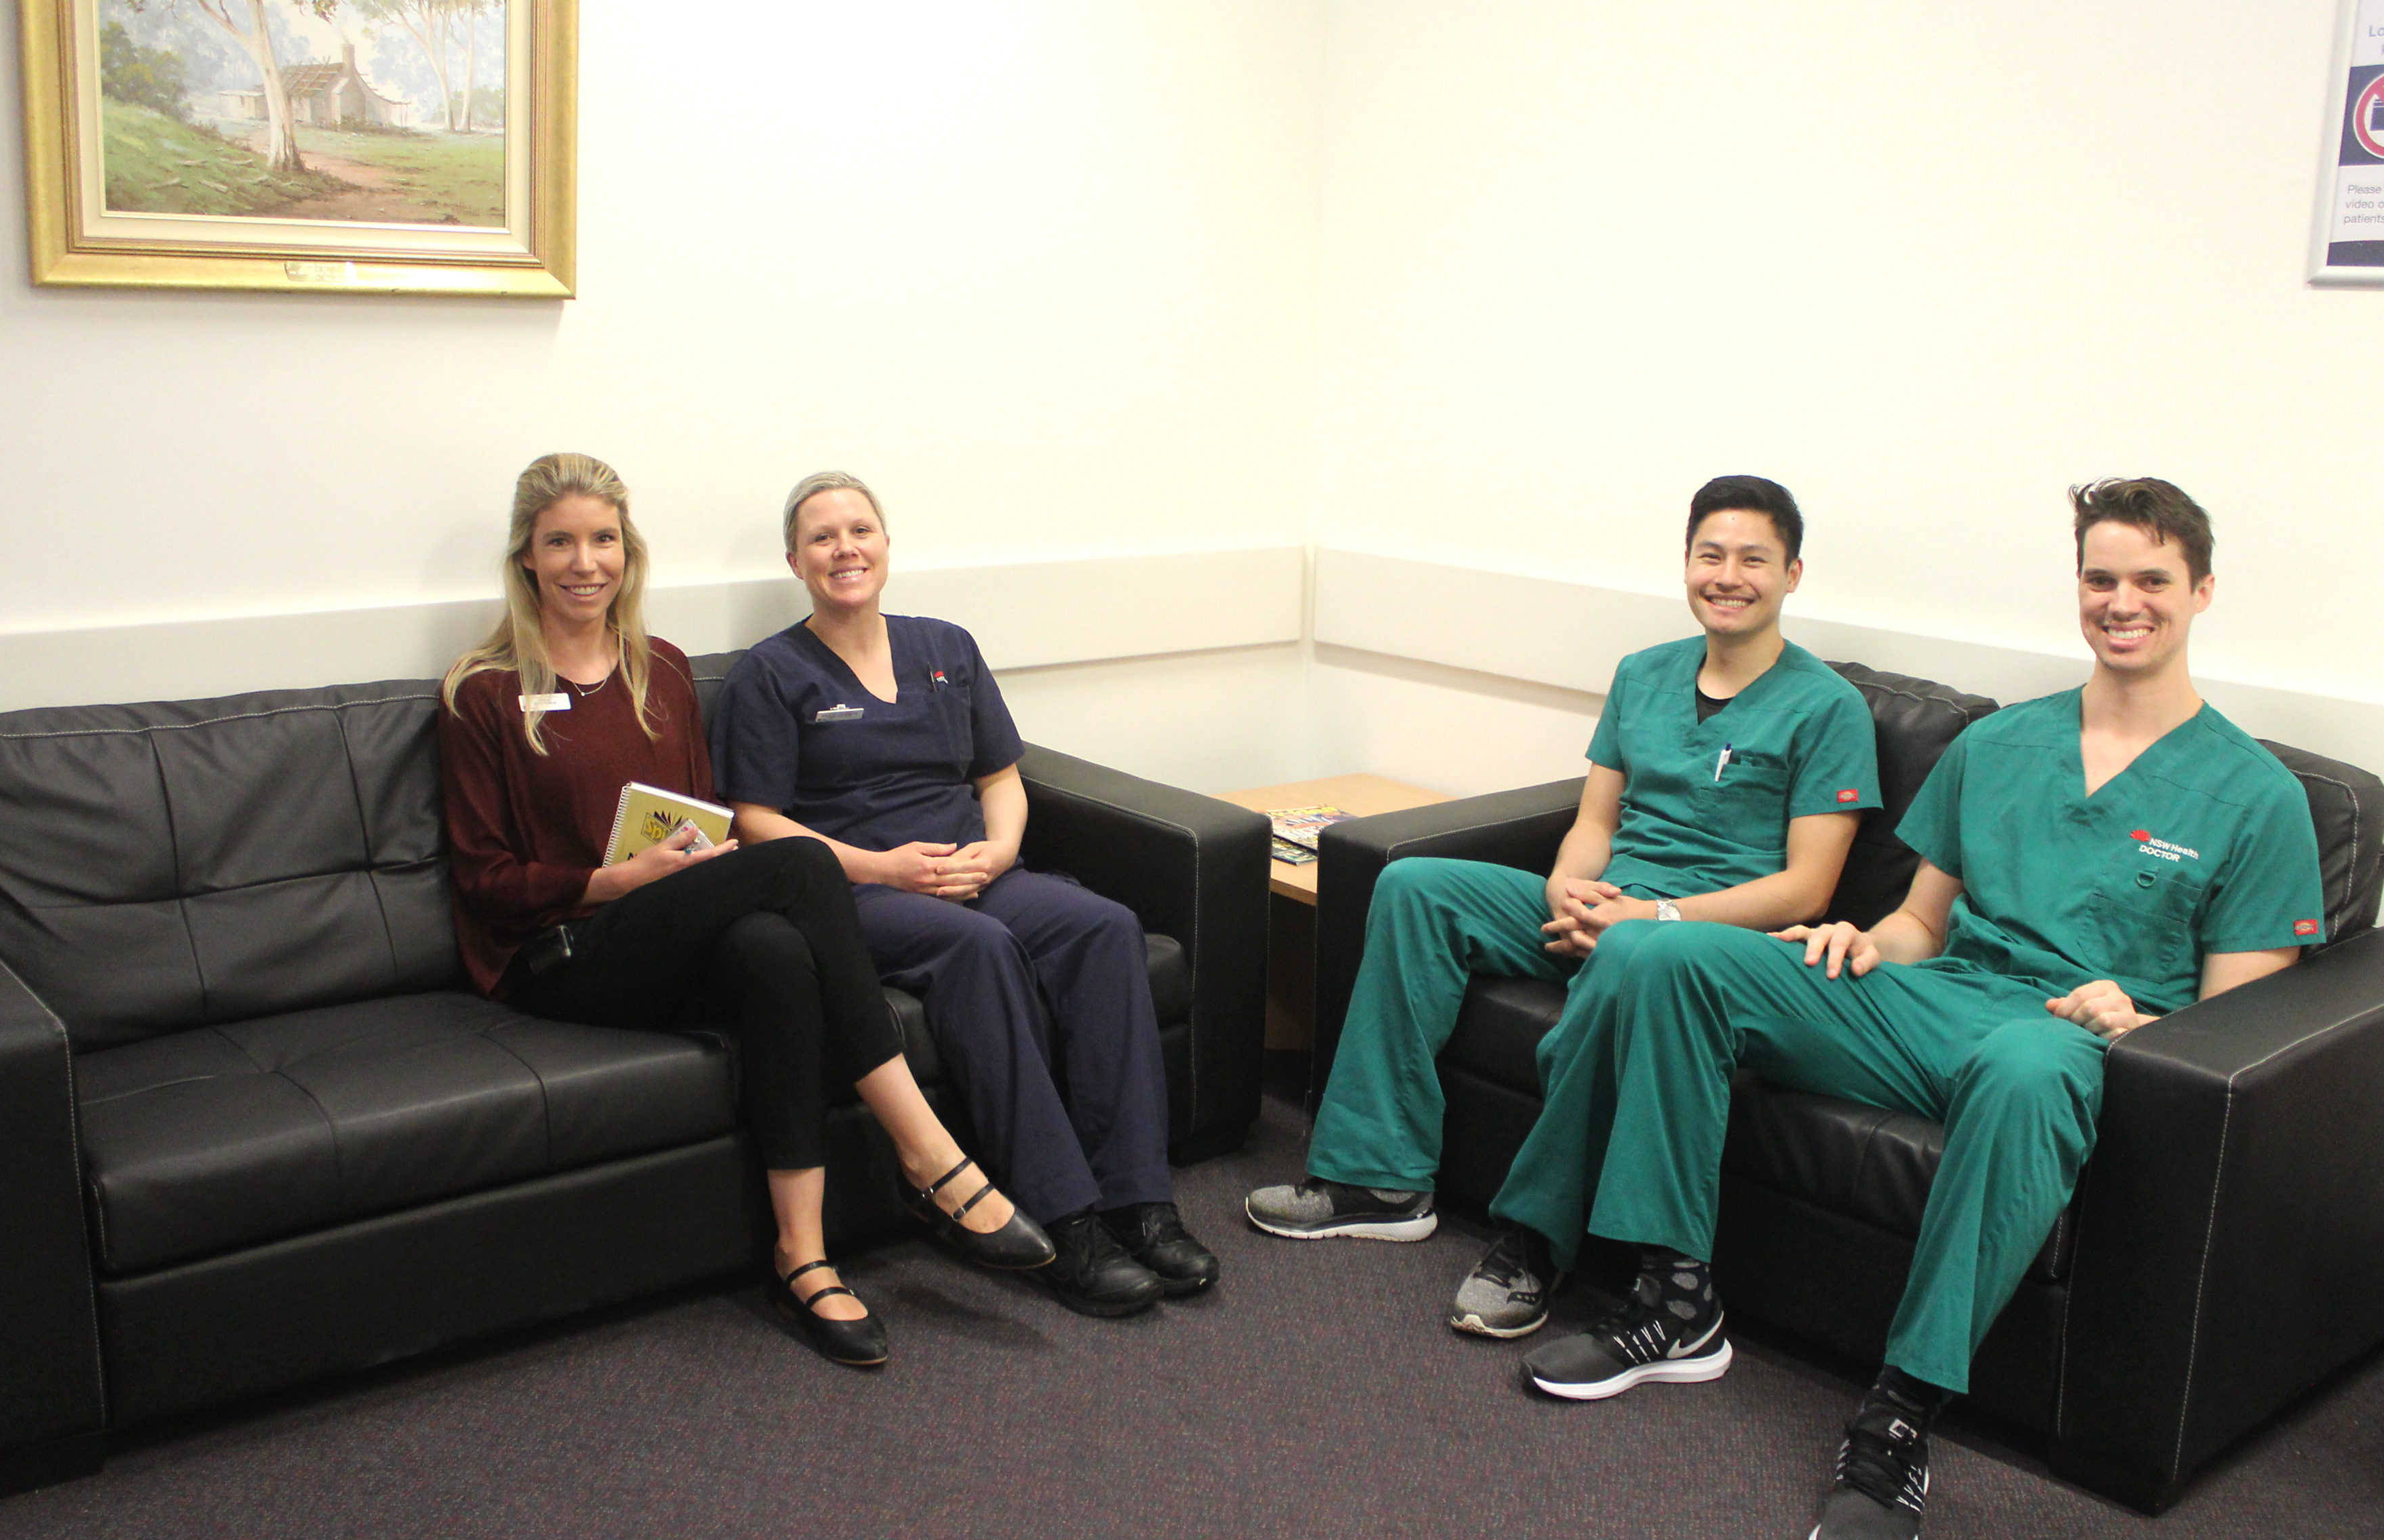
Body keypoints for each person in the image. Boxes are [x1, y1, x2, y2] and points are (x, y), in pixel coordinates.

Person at [1504, 478, 2325, 1540]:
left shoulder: (2253, 794)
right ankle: (1674, 1298)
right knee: (1660, 955)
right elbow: (1917, 922)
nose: (2120, 601)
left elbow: (2241, 1017)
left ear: (2200, 591)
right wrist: (1858, 943)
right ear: (2077, 587)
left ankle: (1897, 1416)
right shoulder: (1999, 745)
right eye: (2100, 577)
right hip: (1931, 1000)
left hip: (2068, 1036)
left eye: (2150, 580)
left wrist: (2142, 1014)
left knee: (2025, 1067)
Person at [438, 453, 1055, 1370]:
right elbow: (484, 879)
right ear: (525, 558)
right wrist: (613, 881)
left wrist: (684, 864)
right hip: (563, 950)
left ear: (627, 551)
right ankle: (929, 1154)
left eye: (602, 539)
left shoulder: (666, 672)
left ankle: (801, 1257)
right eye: (558, 542)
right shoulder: (482, 691)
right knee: (803, 861)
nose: (584, 562)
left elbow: (710, 826)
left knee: (775, 948)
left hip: (668, 925)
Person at [1245, 476, 1882, 1342]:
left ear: (1792, 575)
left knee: (1627, 961)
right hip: (1609, 906)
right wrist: (1565, 888)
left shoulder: (1827, 707)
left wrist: (1651, 923)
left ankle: (1533, 1242)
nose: (1727, 576)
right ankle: (1378, 1179)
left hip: (1707, 942)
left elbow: (1805, 889)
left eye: (1752, 560)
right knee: (1414, 887)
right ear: (1686, 564)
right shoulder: (1642, 674)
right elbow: (1593, 822)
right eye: (1709, 555)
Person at [711, 471, 1219, 1319]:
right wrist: (882, 869)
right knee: (977, 949)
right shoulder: (770, 675)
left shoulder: (945, 645)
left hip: (977, 872)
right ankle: (1064, 1219)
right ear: (794, 559)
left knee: (1104, 926)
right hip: (856, 891)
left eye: (859, 530)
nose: (845, 549)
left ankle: (1140, 1203)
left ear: (885, 542)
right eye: (823, 537)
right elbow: (755, 821)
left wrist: (999, 852)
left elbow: (1002, 777)